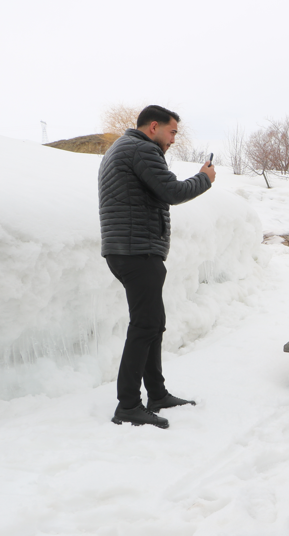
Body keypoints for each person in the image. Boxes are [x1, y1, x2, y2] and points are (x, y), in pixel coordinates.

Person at [98, 105, 215, 428]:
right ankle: (128, 405)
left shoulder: (122, 148)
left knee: (153, 323)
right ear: (153, 127)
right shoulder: (141, 149)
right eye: (172, 132)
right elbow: (172, 191)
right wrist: (204, 179)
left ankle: (157, 394)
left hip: (128, 249)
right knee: (145, 325)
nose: (173, 139)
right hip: (137, 251)